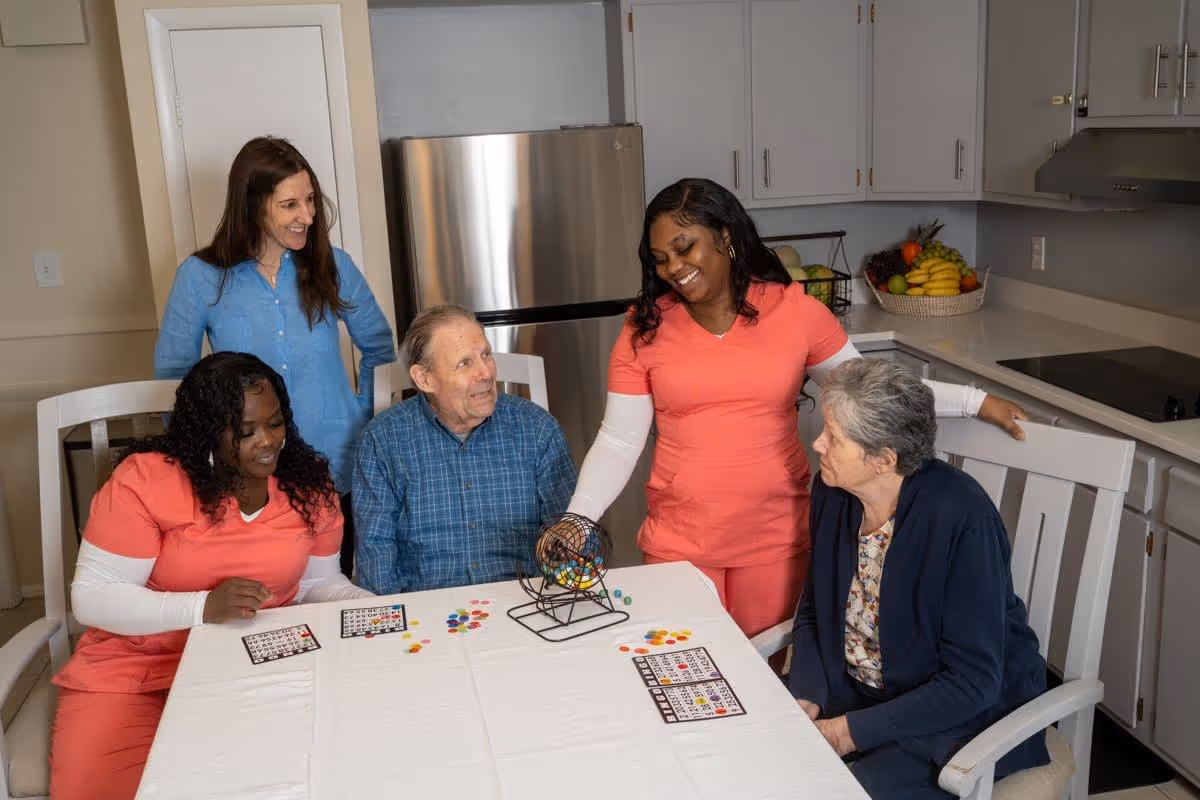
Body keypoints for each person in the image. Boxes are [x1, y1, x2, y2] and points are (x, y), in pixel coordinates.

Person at [554, 178, 1028, 640]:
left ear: (725, 237)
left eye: (685, 248)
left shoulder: (794, 313)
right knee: (682, 681)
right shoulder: (646, 328)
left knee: (776, 690)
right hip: (679, 544)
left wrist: (975, 402)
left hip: (775, 541)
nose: (673, 268)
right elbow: (619, 441)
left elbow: (874, 392)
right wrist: (579, 518)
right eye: (660, 259)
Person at [49, 352, 373, 800]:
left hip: (256, 666)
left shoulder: (306, 483)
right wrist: (203, 606)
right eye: (245, 431)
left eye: (275, 423)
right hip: (135, 675)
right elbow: (93, 597)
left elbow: (317, 584)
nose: (267, 442)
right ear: (206, 432)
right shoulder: (145, 481)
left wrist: (370, 606)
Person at [789, 358, 1048, 799]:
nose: (817, 444)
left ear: (883, 459)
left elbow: (972, 683)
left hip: (953, 719)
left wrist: (847, 733)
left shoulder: (962, 518)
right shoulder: (832, 491)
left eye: (834, 437)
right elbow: (814, 610)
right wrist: (807, 697)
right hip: (858, 696)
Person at [154, 136, 396, 577]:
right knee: (264, 594)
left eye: (310, 200)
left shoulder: (333, 266)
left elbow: (380, 350)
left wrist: (362, 420)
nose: (308, 215)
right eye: (290, 205)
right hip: (247, 475)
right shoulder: (200, 278)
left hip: (336, 464)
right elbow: (173, 379)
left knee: (336, 586)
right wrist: (205, 456)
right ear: (253, 206)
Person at [353, 305, 577, 594]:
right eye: (465, 363)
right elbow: (377, 564)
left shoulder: (537, 429)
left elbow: (577, 536)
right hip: (427, 616)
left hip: (526, 604)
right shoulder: (381, 442)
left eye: (485, 355)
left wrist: (566, 547)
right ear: (424, 379)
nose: (485, 373)